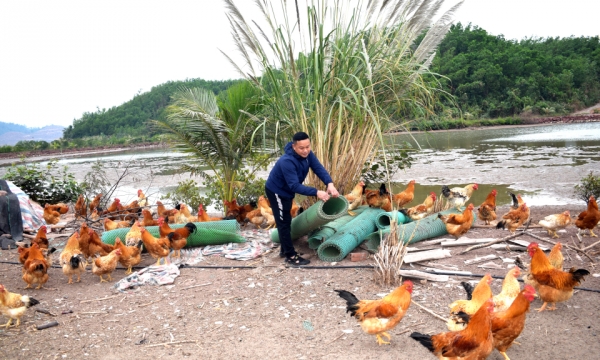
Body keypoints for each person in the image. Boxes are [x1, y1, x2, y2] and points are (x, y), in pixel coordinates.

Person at [265, 131, 339, 265]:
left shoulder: (307, 154)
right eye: (301, 148)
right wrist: (317, 192)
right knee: (283, 222)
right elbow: (294, 186)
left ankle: (284, 249)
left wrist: (329, 183)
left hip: (287, 191)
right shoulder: (287, 161)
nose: (305, 150)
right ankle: (290, 256)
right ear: (294, 147)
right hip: (277, 191)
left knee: (286, 220)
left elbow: (318, 168)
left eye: (308, 147)